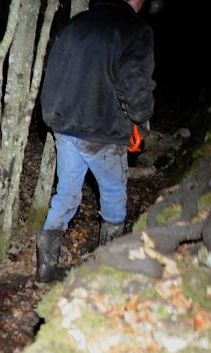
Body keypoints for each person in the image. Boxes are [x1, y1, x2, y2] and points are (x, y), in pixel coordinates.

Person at [36, 0, 155, 282]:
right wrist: (141, 117)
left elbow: (53, 72)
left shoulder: (76, 24)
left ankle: (46, 267)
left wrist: (53, 115)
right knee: (113, 193)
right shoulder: (134, 29)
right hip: (101, 129)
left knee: (66, 193)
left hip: (65, 125)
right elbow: (136, 83)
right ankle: (107, 265)